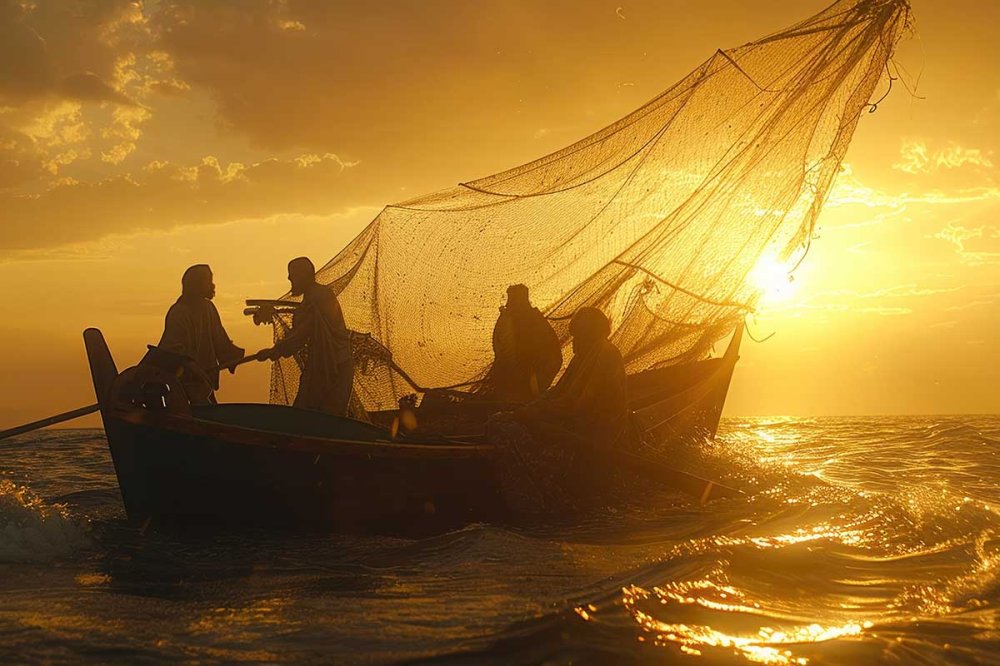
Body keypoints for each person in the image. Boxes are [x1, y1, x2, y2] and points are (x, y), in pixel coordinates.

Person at [487, 307, 629, 513]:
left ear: (590, 333)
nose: (574, 343)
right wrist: (531, 408)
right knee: (505, 421)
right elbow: (558, 392)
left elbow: (578, 405)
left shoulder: (604, 354)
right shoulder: (584, 355)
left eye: (578, 335)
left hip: (596, 434)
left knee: (504, 428)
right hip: (576, 424)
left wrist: (536, 413)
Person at [256, 257, 355, 416]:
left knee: (308, 415)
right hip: (333, 365)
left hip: (331, 368)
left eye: (292, 274)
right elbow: (302, 325)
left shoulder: (317, 298)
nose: (289, 278)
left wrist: (274, 351)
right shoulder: (317, 296)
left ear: (305, 275)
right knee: (325, 418)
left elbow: (300, 335)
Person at [156, 264, 245, 404]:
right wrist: (193, 368)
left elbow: (220, 339)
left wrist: (233, 356)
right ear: (197, 284)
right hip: (183, 385)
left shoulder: (208, 308)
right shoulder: (178, 313)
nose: (213, 285)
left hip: (205, 382)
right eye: (208, 281)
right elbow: (172, 350)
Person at [490, 284, 562, 401]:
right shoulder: (507, 319)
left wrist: (533, 378)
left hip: (529, 379)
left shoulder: (535, 321)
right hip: (510, 376)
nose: (508, 303)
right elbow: (501, 348)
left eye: (513, 299)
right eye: (509, 299)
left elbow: (553, 355)